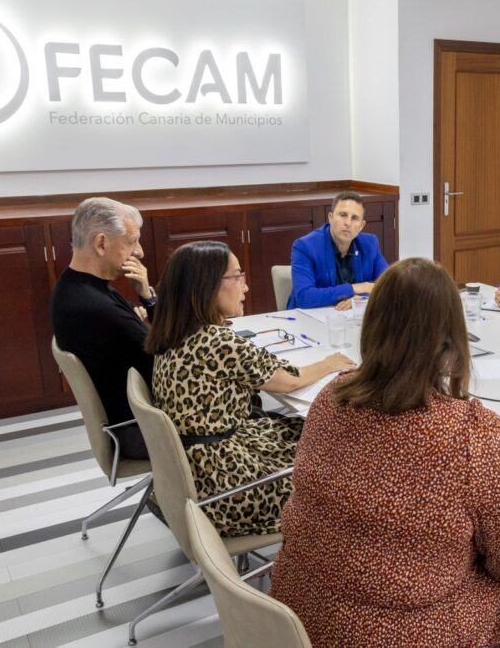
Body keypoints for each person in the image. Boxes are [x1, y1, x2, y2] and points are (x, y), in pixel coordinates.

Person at [269, 258, 500, 648]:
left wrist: (499, 470)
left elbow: (392, 476)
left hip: (298, 620)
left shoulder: (332, 396)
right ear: (451, 338)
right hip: (396, 635)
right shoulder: (472, 434)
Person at [145, 241, 354, 537]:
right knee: (339, 458)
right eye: (237, 277)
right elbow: (289, 380)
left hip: (195, 470)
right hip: (228, 486)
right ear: (207, 286)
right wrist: (328, 363)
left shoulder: (172, 333)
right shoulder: (218, 342)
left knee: (310, 431)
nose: (245, 287)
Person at [50, 197, 155, 459]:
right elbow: (169, 366)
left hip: (129, 421)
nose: (140, 252)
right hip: (144, 431)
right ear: (101, 243)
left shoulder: (72, 287)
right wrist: (150, 302)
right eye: (132, 241)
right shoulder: (97, 308)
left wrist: (145, 302)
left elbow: (150, 340)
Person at [287, 192, 390, 310]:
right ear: (330, 218)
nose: (348, 223)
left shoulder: (369, 244)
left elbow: (389, 285)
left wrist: (362, 298)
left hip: (350, 315)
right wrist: (354, 288)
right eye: (343, 215)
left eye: (354, 218)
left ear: (361, 225)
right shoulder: (305, 246)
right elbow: (304, 297)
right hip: (309, 316)